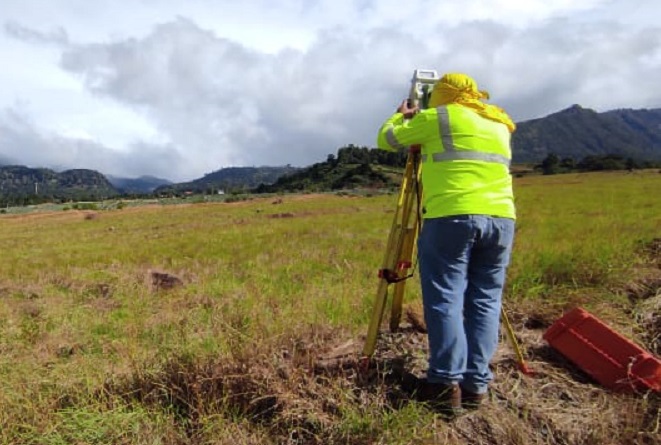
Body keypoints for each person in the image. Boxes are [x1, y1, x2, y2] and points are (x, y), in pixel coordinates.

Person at [376, 73, 516, 416]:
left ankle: (443, 384)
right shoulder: (498, 121)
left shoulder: (439, 117)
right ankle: (475, 387)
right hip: (501, 219)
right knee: (485, 301)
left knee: (446, 298)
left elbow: (387, 139)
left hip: (452, 216)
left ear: (441, 95)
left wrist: (403, 114)